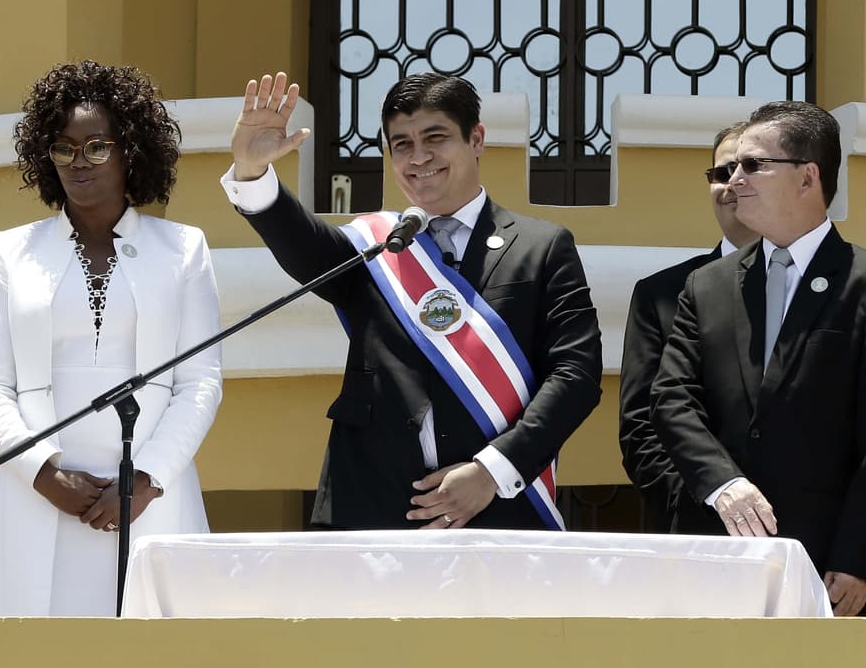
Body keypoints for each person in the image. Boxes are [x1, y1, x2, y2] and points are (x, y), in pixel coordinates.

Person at [220, 71, 602, 530]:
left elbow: (576, 375)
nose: (418, 157)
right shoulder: (376, 246)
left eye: (435, 138)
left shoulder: (541, 246)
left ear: (476, 139)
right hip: (371, 510)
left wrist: (491, 471)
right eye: (401, 144)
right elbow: (304, 245)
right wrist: (252, 172)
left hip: (500, 509)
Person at [0, 61, 223, 617]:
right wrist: (43, 473)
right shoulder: (12, 250)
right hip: (36, 497)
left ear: (132, 152)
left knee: (149, 645)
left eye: (97, 147)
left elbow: (200, 383)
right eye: (64, 148)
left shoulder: (183, 249)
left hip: (150, 499)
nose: (79, 162)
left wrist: (147, 479)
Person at [650, 101, 866, 616]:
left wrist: (858, 558)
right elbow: (671, 398)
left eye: (753, 165)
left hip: (822, 565)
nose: (734, 180)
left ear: (807, 177)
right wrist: (722, 483)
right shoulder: (706, 286)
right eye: (732, 167)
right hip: (713, 557)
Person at [618, 122, 759, 532]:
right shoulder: (661, 294)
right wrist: (703, 507)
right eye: (721, 172)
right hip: (704, 529)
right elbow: (642, 428)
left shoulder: (829, 284)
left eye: (748, 167)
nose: (731, 183)